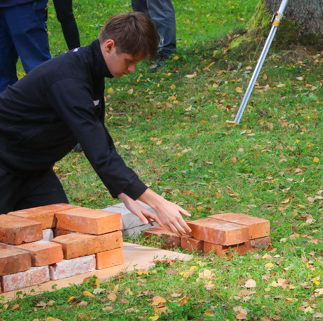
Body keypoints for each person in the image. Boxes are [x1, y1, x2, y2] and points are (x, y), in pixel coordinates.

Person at [0, 12, 191, 234]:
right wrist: (158, 202)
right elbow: (100, 152)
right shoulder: (69, 80)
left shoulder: (91, 69)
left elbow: (98, 141)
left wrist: (125, 194)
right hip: (4, 163)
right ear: (109, 46)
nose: (132, 70)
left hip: (34, 170)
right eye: (130, 61)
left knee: (65, 233)